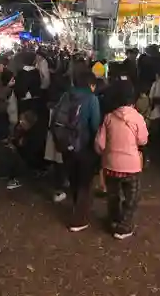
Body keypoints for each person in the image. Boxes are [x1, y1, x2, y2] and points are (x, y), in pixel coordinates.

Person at [95, 80, 148, 240]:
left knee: (113, 195)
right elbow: (143, 140)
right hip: (131, 166)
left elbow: (100, 143)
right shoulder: (137, 117)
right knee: (132, 197)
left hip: (111, 166)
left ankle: (114, 219)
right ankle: (124, 227)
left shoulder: (108, 117)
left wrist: (106, 154)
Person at [51, 71, 100, 232]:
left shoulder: (66, 96)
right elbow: (95, 125)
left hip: (66, 145)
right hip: (84, 146)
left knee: (73, 177)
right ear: (91, 85)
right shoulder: (91, 99)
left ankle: (76, 206)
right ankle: (79, 219)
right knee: (84, 181)